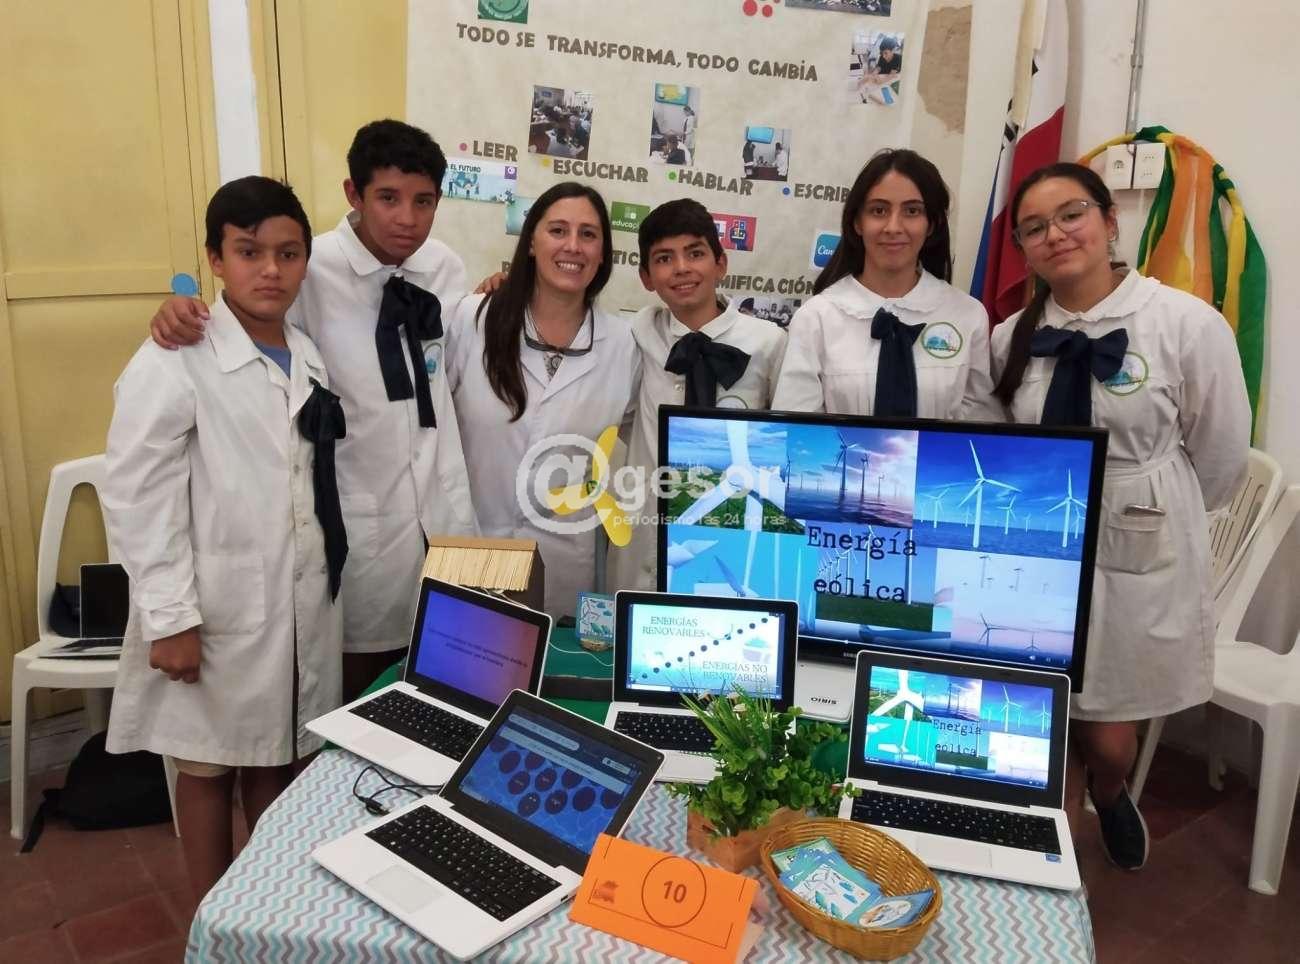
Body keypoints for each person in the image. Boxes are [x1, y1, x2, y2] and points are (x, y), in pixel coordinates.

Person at [147, 120, 477, 702]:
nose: (407, 218)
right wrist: (178, 310)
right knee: (356, 689)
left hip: (441, 512)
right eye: (388, 198)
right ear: (354, 194)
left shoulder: (444, 267)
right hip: (354, 520)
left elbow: (454, 367)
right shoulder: (307, 268)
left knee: (446, 682)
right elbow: (245, 333)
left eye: (423, 201)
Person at [989, 162, 1250, 870]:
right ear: (1024, 249)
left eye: (1071, 214)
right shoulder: (1010, 336)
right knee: (1039, 709)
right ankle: (1048, 857)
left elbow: (1222, 453)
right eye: (1034, 228)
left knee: (1108, 734)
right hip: (1041, 537)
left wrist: (1157, 505)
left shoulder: (1183, 324)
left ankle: (1110, 791)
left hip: (1140, 537)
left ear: (1109, 221)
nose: (1055, 235)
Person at [105, 177, 344, 901]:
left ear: (305, 262)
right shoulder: (177, 355)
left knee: (276, 754)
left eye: (288, 253)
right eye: (248, 252)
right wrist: (171, 617)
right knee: (207, 765)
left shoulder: (306, 353)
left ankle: (264, 907)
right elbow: (137, 493)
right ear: (215, 259)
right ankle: (210, 923)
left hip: (293, 602)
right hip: (211, 604)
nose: (270, 270)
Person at [445, 182, 638, 620]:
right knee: (469, 656)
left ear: (603, 254)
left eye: (588, 234)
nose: (573, 246)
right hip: (475, 544)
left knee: (555, 660)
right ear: (531, 242)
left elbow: (644, 439)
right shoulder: (472, 318)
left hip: (565, 559)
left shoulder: (624, 345)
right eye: (557, 230)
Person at [612, 198, 788, 593]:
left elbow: (785, 435)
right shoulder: (636, 333)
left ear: (720, 263)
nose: (681, 268)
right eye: (664, 258)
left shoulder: (769, 343)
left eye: (695, 253)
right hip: (645, 531)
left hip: (735, 523)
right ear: (646, 277)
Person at [773, 148, 992, 418]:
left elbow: (981, 425)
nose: (893, 227)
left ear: (932, 224)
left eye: (912, 211)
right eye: (879, 210)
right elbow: (797, 429)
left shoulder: (968, 315)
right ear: (857, 222)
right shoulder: (816, 318)